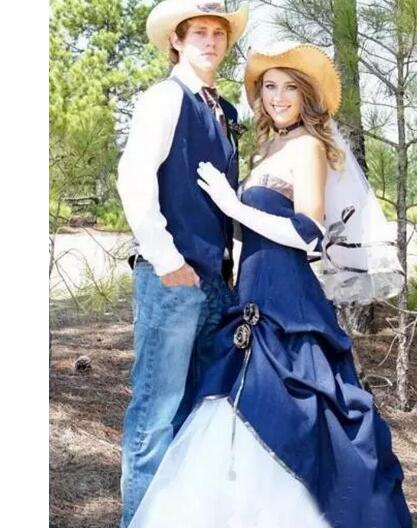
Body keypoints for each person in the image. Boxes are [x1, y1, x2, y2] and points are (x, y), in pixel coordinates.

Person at [126, 42, 412, 528]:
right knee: (229, 411)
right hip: (249, 293)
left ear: (306, 97)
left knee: (289, 412)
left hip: (287, 297)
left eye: (290, 88)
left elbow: (309, 233)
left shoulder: (309, 147)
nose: (279, 97)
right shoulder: (265, 149)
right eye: (270, 87)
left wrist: (234, 207)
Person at [116, 1, 249, 526]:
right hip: (173, 280)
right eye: (199, 32)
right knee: (155, 414)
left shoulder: (223, 111)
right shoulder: (164, 98)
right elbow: (134, 179)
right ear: (176, 40)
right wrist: (168, 260)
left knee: (198, 414)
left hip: (215, 282)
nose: (210, 41)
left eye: (218, 32)